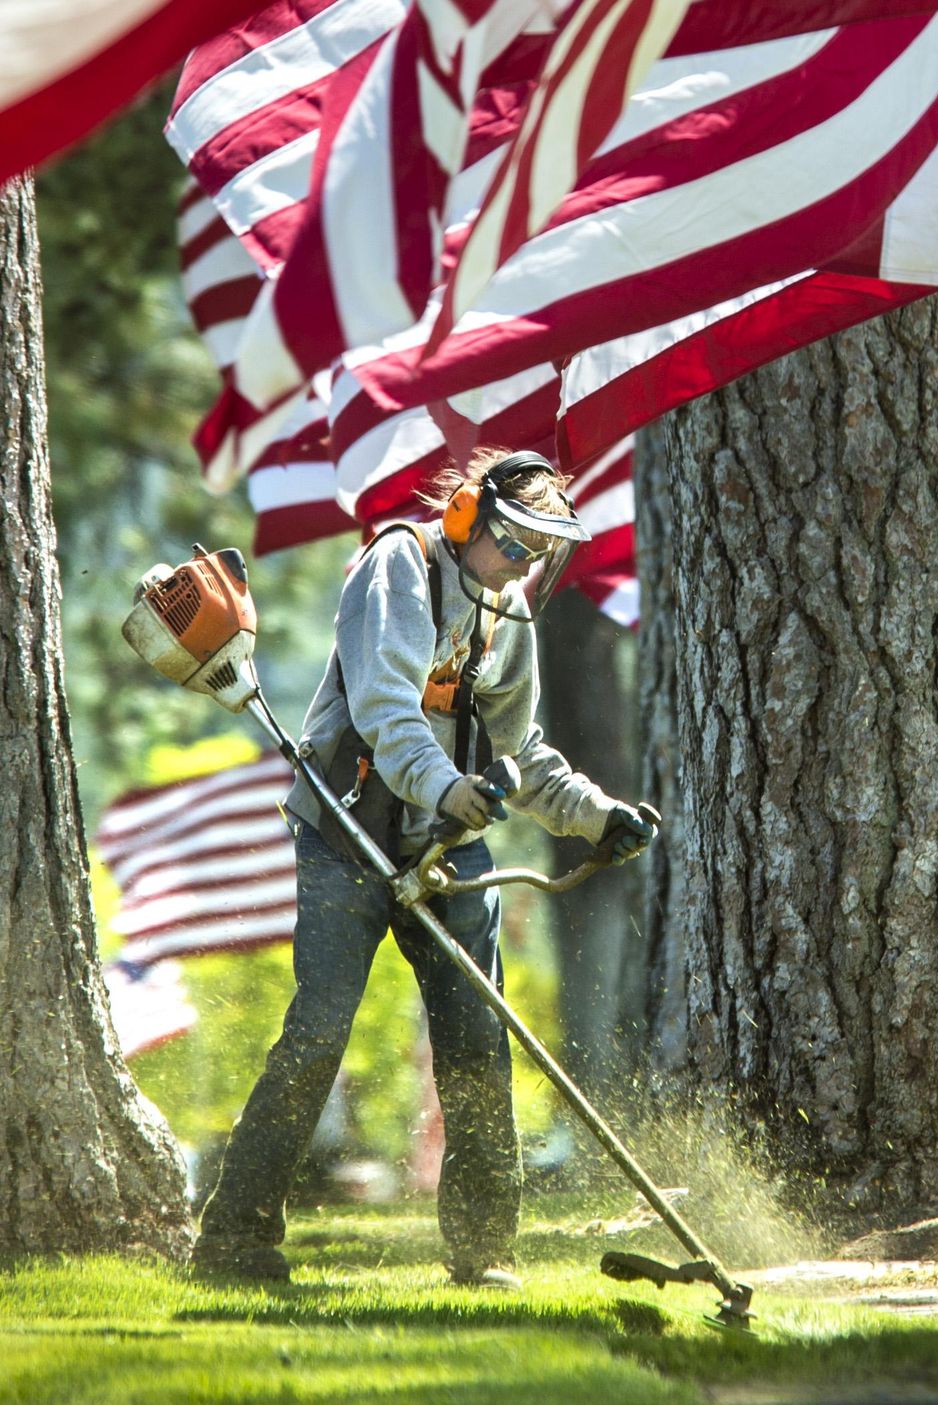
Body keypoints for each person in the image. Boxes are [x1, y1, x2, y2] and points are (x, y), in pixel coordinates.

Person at [191, 448, 658, 1289]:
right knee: (319, 1031)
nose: (524, 564)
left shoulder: (507, 612)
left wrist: (598, 815)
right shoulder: (396, 568)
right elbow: (385, 711)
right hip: (349, 832)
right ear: (464, 518)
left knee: (479, 1040)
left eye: (539, 551)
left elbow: (525, 752)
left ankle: (483, 1252)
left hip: (445, 841)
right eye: (513, 542)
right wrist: (448, 789)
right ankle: (235, 1237)